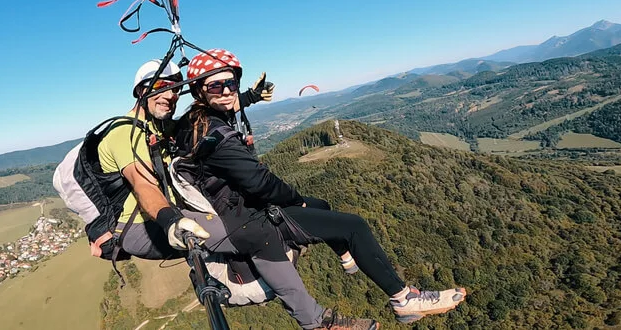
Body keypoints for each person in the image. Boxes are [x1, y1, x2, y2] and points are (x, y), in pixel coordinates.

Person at [174, 49, 467, 325]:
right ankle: (404, 299)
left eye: (230, 83)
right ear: (200, 90)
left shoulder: (195, 122)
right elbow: (259, 182)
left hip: (239, 208)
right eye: (215, 86)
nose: (226, 90)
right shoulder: (217, 136)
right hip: (246, 216)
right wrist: (296, 200)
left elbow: (229, 105)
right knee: (354, 226)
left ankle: (346, 256)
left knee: (322, 206)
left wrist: (249, 96)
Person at [96, 59, 379, 330]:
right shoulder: (125, 133)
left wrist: (249, 97)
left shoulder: (157, 125)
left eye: (174, 89)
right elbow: (143, 185)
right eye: (160, 89)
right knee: (254, 229)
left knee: (253, 218)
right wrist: (171, 221)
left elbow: (197, 121)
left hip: (163, 214)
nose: (169, 96)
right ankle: (315, 322)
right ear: (141, 91)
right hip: (142, 225)